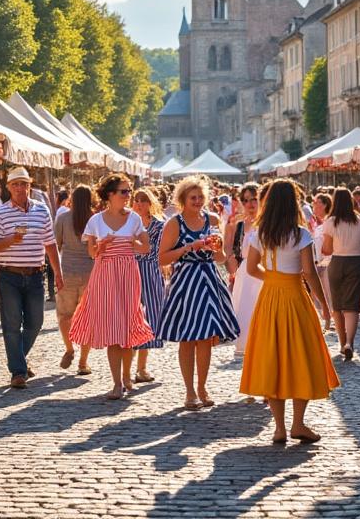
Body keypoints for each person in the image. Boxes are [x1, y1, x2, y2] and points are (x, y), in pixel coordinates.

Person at [239, 178, 339, 444]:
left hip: (270, 298)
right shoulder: (301, 234)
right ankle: (298, 424)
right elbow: (309, 273)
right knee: (301, 357)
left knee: (272, 358)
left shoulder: (259, 234)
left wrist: (273, 279)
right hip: (295, 298)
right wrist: (324, 306)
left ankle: (279, 428)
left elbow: (251, 268)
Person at [157, 176, 241, 410]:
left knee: (205, 338)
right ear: (183, 199)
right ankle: (190, 391)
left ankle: (202, 387)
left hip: (208, 279)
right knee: (187, 338)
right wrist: (188, 248)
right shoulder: (175, 223)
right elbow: (161, 258)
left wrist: (218, 247)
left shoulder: (212, 219)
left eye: (200, 197)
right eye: (192, 197)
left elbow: (221, 258)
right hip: (185, 281)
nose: (197, 201)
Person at [69, 174, 154, 400]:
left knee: (127, 326)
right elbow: (92, 253)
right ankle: (117, 383)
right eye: (123, 191)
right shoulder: (95, 221)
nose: (128, 196)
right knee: (113, 329)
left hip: (128, 274)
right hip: (105, 274)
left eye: (128, 191)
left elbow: (146, 248)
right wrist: (102, 245)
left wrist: (132, 242)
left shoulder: (134, 218)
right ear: (110, 194)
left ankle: (126, 376)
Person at [0, 167, 62, 389]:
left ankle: (18, 360)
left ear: (29, 185)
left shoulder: (41, 210)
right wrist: (10, 240)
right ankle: (18, 372)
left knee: (36, 322)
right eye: (15, 184)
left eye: (23, 184)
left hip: (35, 274)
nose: (19, 188)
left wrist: (58, 272)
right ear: (9, 187)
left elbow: (50, 244)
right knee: (11, 323)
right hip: (9, 275)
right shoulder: (0, 213)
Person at [322, 187, 360, 361]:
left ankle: (342, 343)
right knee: (352, 306)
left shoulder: (331, 221)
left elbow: (327, 249)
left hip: (337, 262)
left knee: (337, 306)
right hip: (356, 261)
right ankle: (350, 343)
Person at [54, 185, 95, 376]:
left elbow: (56, 244)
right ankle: (83, 362)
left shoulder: (63, 218)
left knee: (64, 315)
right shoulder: (94, 219)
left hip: (67, 273)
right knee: (86, 317)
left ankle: (69, 348)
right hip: (90, 273)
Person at [131, 188, 167, 383]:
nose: (139, 204)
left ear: (150, 203)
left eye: (143, 200)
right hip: (130, 270)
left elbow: (156, 250)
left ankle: (142, 367)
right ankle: (126, 369)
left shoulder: (159, 225)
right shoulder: (127, 222)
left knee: (150, 317)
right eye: (136, 200)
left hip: (150, 271)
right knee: (130, 317)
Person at [226, 183, 261, 360]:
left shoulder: (266, 222)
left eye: (253, 199)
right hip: (245, 272)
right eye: (246, 200)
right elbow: (232, 250)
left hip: (263, 270)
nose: (250, 204)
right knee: (245, 308)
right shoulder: (239, 225)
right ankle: (246, 344)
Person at [310, 192, 335, 331]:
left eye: (316, 203)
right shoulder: (319, 224)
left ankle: (331, 321)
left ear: (324, 205)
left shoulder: (329, 223)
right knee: (318, 293)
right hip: (318, 262)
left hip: (327, 262)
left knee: (328, 293)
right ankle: (324, 320)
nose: (313, 205)